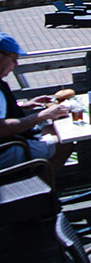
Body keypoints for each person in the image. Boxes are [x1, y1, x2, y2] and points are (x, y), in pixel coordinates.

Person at [0, 33, 75, 170]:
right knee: (65, 142)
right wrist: (42, 115)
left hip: (10, 142)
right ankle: (39, 186)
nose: (16, 65)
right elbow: (2, 127)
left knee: (52, 129)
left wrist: (24, 106)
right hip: (8, 148)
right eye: (14, 59)